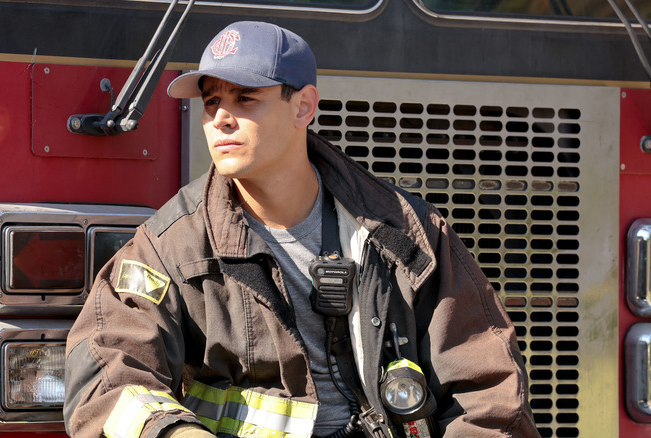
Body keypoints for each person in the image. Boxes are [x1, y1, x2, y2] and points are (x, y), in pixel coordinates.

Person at [63, 20, 540, 438]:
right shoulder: (170, 246)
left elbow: (486, 388)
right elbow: (108, 377)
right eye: (211, 102)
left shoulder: (403, 232)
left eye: (245, 98)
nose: (220, 119)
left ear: (303, 106)